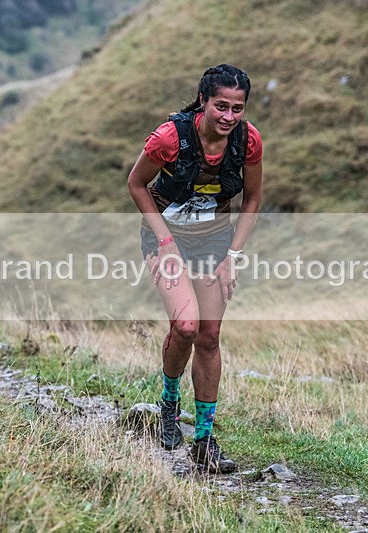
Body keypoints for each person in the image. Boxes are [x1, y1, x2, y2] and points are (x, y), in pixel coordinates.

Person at [127, 64, 263, 473]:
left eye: (237, 108)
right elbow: (136, 184)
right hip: (166, 237)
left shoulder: (248, 141)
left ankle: (204, 440)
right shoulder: (170, 138)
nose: (228, 116)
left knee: (209, 335)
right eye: (221, 106)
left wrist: (233, 256)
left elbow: (252, 199)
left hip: (214, 241)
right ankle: (169, 406)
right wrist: (165, 244)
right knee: (185, 326)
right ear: (203, 101)